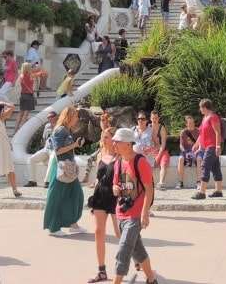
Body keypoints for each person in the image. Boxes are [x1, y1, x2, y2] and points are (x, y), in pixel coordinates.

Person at [111, 128, 158, 284]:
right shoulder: (118, 161)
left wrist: (145, 213)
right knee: (137, 250)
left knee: (124, 249)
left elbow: (149, 188)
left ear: (128, 144)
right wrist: (115, 189)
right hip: (121, 213)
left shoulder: (140, 162)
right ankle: (151, 278)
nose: (114, 144)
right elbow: (115, 184)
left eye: (117, 141)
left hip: (135, 214)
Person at [43, 105, 85, 235]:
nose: (77, 119)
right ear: (69, 117)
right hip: (61, 168)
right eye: (75, 116)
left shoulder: (66, 130)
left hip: (68, 167)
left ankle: (73, 224)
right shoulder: (60, 130)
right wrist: (75, 145)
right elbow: (58, 150)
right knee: (57, 197)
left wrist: (74, 147)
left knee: (75, 195)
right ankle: (53, 227)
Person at [86, 127, 120, 282]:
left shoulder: (120, 156)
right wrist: (95, 184)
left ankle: (137, 258)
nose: (104, 140)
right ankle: (101, 271)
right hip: (100, 195)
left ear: (114, 139)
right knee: (98, 232)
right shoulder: (101, 154)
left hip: (115, 197)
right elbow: (100, 176)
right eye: (103, 137)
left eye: (106, 137)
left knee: (120, 233)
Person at [192, 99, 224, 200]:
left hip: (213, 146)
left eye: (200, 107)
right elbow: (202, 134)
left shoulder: (213, 117)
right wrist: (197, 145)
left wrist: (218, 146)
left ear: (205, 107)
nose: (199, 109)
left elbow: (217, 132)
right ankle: (218, 191)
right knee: (215, 167)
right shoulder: (205, 118)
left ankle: (202, 192)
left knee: (205, 165)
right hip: (207, 147)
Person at [27, 111, 59, 187]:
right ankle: (32, 181)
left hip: (54, 150)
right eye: (48, 117)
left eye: (51, 117)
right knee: (31, 159)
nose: (49, 119)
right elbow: (44, 138)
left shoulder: (60, 126)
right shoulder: (47, 126)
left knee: (51, 159)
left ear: (56, 117)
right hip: (46, 148)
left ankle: (47, 181)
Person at [144, 111, 170, 191]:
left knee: (163, 164)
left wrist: (158, 155)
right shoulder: (148, 127)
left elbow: (163, 144)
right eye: (153, 118)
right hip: (152, 150)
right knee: (146, 163)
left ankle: (161, 183)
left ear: (158, 118)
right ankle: (146, 183)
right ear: (150, 118)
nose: (154, 120)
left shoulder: (162, 128)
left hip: (162, 151)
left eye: (156, 118)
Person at [16, 62, 41, 131]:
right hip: (29, 96)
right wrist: (37, 65)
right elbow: (39, 72)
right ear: (28, 68)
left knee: (20, 113)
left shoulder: (21, 76)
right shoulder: (31, 76)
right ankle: (21, 130)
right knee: (26, 114)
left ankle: (15, 130)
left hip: (22, 95)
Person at [177, 115, 200, 189]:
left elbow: (201, 144)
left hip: (195, 151)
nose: (191, 124)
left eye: (192, 122)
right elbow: (181, 145)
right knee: (180, 159)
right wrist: (184, 152)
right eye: (189, 123)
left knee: (199, 159)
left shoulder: (198, 131)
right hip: (185, 151)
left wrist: (197, 151)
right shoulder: (183, 132)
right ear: (186, 124)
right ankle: (180, 182)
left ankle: (198, 182)